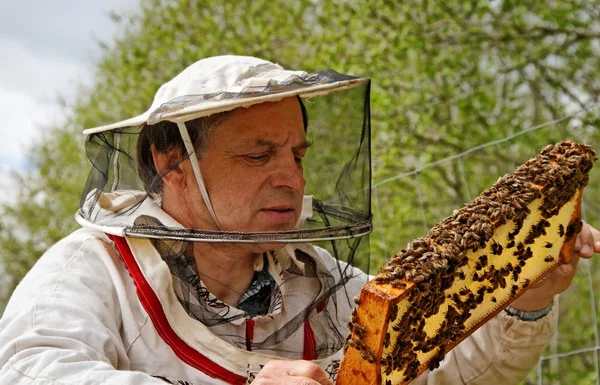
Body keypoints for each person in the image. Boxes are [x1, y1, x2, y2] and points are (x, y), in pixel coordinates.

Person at [0, 55, 598, 385]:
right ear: (172, 161)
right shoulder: (89, 270)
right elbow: (33, 372)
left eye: (297, 155)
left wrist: (528, 299)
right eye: (257, 155)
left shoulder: (323, 282)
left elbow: (441, 377)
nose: (290, 177)